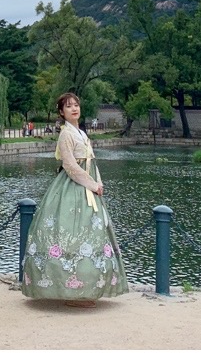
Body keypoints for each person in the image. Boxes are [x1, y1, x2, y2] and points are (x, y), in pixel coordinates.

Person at [21, 92, 128, 306]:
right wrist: (92, 184)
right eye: (68, 106)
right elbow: (70, 166)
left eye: (76, 105)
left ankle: (88, 288)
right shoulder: (65, 134)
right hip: (71, 189)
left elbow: (91, 163)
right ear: (62, 112)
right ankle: (71, 289)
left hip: (88, 188)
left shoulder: (81, 133)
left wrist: (99, 183)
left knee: (91, 233)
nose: (74, 108)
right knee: (71, 234)